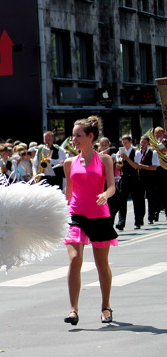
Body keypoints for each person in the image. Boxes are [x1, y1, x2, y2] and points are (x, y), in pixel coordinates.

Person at [63, 116, 117, 327]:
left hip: (100, 215)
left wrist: (105, 194)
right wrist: (60, 213)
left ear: (91, 137)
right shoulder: (69, 163)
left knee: (101, 264)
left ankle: (105, 306)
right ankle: (73, 310)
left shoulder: (105, 160)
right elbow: (69, 193)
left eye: (78, 135)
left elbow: (112, 186)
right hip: (75, 215)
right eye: (73, 135)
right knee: (75, 258)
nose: (74, 139)